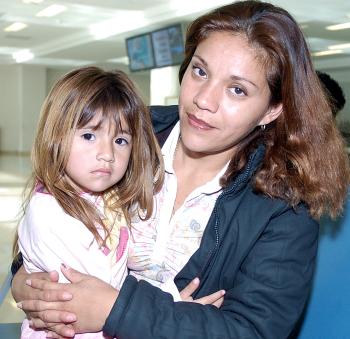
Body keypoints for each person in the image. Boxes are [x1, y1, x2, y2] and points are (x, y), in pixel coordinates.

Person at [11, 1, 350, 339]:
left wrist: (116, 310)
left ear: (271, 110)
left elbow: (253, 330)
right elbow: (54, 211)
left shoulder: (283, 203)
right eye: (200, 71)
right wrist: (26, 281)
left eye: (237, 90)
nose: (204, 99)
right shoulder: (126, 134)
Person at [13, 66, 165, 338]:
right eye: (88, 136)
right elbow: (91, 298)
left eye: (120, 140)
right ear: (56, 136)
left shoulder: (109, 198)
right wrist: (170, 307)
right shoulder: (50, 212)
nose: (106, 154)